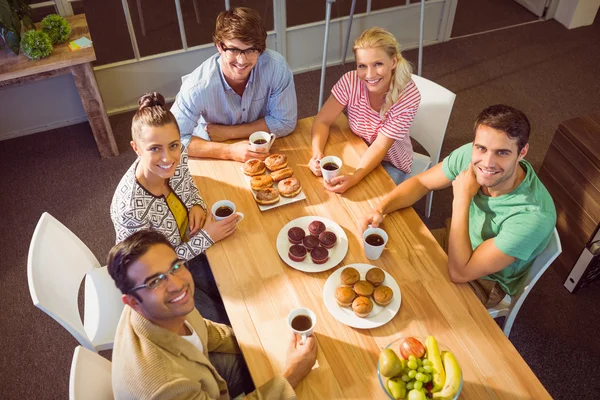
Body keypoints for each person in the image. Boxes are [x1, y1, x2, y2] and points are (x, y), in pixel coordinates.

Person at [359, 105, 556, 307]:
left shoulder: (533, 216)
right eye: (481, 148)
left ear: (522, 152)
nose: (487, 162)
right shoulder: (471, 156)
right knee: (378, 262)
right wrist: (380, 209)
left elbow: (460, 273)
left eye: (502, 153)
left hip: (484, 279)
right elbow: (421, 183)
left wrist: (462, 197)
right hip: (454, 239)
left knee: (408, 303)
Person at [108, 230, 318, 399]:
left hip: (198, 371)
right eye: (155, 281)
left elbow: (205, 330)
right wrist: (292, 374)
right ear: (132, 302)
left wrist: (261, 338)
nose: (177, 284)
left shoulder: (160, 308)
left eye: (175, 266)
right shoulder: (164, 388)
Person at [111, 92, 238, 324]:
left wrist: (196, 204)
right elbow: (154, 267)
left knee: (238, 284)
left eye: (173, 145)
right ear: (136, 148)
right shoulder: (130, 209)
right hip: (159, 279)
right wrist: (207, 238)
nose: (168, 158)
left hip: (187, 247)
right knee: (227, 321)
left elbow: (189, 188)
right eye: (154, 149)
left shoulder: (175, 163)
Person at [171, 7, 297, 162]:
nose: (242, 61)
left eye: (251, 50)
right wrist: (228, 151)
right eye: (233, 50)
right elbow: (173, 142)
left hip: (262, 147)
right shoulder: (196, 87)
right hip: (213, 149)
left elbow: (286, 121)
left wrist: (229, 133)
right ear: (219, 46)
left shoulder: (276, 67)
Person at [309, 27, 420, 193]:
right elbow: (322, 120)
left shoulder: (408, 96)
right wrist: (317, 154)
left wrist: (354, 177)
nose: (370, 75)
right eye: (362, 66)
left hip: (391, 163)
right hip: (359, 147)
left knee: (364, 206)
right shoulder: (350, 81)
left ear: (394, 62)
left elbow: (380, 147)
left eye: (378, 64)